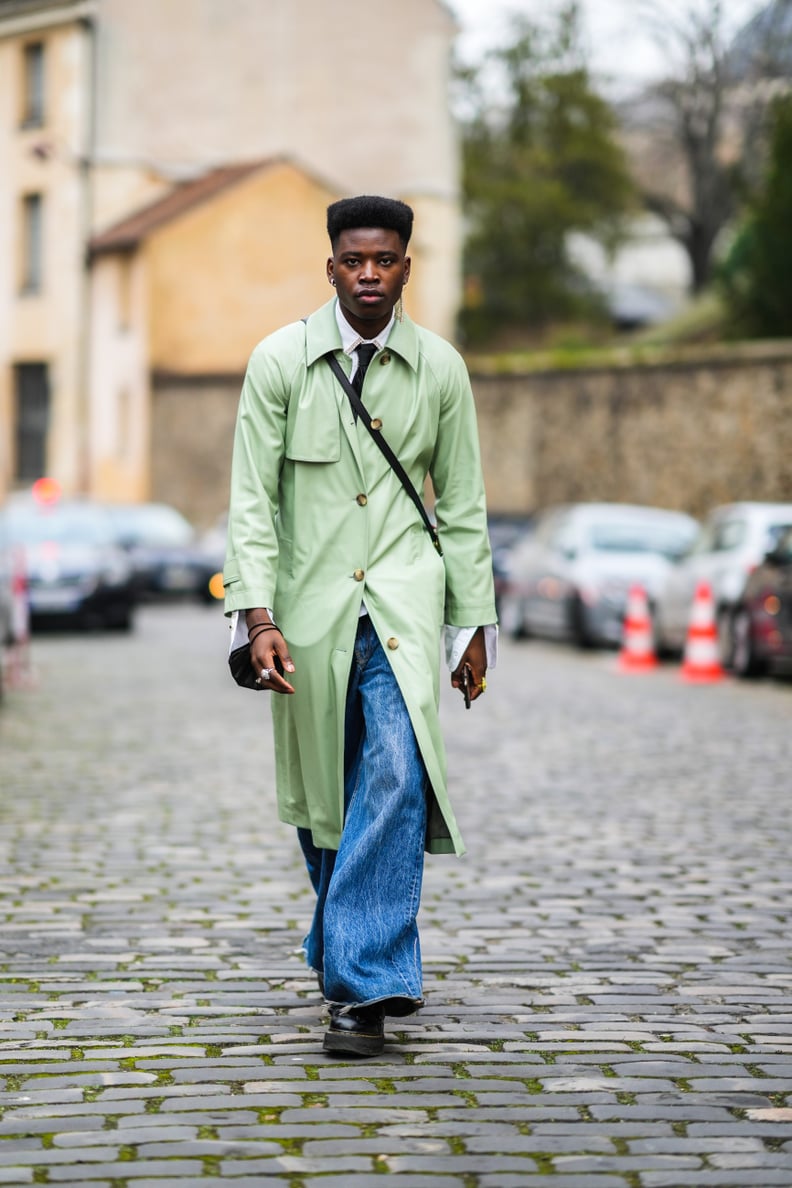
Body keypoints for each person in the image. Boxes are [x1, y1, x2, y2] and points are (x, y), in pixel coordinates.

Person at [223, 195, 496, 1057]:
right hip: (307, 611)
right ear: (331, 266)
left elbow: (464, 507)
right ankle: (338, 943)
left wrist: (472, 625)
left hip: (406, 610)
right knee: (325, 803)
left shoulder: (441, 370)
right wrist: (255, 614)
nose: (369, 274)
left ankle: (364, 985)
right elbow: (252, 504)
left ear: (407, 267)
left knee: (395, 770)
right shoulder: (278, 363)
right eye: (353, 261)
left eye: (385, 260)